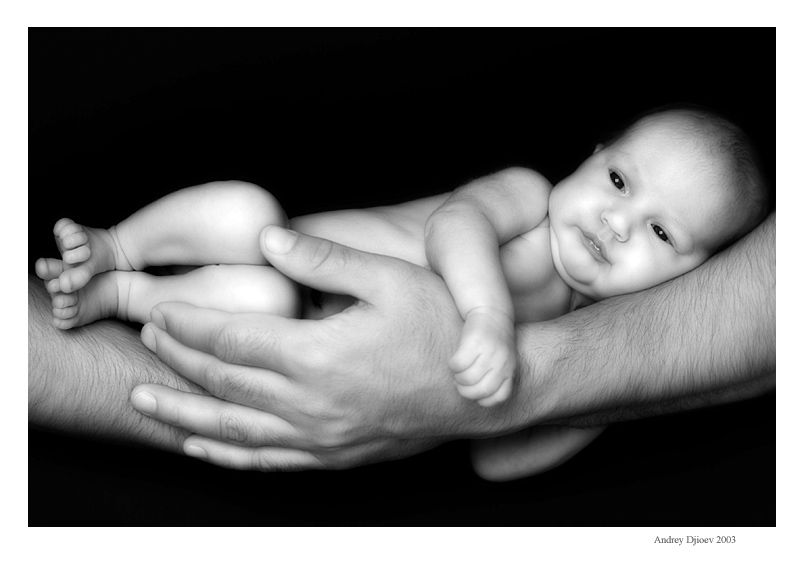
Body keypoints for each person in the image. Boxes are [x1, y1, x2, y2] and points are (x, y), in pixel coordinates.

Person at [33, 106, 770, 480]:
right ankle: (117, 250)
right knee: (244, 210)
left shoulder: (591, 330)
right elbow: (457, 225)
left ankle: (120, 293)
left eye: (662, 234)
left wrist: (599, 405)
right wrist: (487, 317)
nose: (615, 223)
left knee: (264, 307)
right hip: (284, 250)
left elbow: (496, 462)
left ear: (691, 280)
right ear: (594, 155)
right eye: (618, 181)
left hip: (286, 325)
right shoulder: (528, 196)